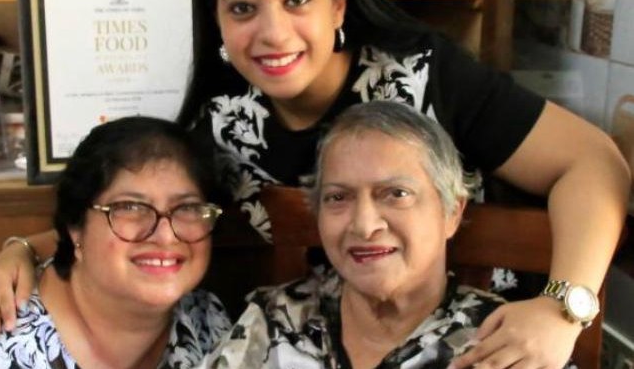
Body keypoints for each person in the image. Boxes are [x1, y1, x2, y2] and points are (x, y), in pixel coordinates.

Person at [0, 0, 628, 368]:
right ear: (217, 20)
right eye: (242, 7)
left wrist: (562, 308)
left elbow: (594, 164)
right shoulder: (224, 117)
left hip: (477, 343)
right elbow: (149, 214)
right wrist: (24, 245)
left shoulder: (426, 74)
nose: (272, 32)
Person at [199, 101, 549, 368]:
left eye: (396, 194)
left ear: (451, 212)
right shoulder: (277, 320)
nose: (364, 226)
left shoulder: (503, 342)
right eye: (338, 197)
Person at [0, 117, 231, 368]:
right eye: (129, 207)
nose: (165, 235)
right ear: (74, 229)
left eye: (187, 208)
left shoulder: (205, 321)